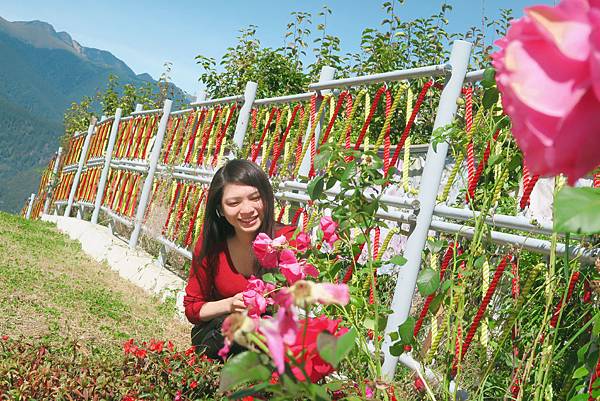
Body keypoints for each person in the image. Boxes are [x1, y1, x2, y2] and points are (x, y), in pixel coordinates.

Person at [183, 159, 295, 359]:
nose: (247, 210)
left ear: (267, 198)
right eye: (234, 203)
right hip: (223, 342)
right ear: (220, 208)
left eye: (255, 198)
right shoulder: (211, 246)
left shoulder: (288, 241)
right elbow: (193, 309)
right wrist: (230, 304)